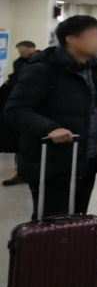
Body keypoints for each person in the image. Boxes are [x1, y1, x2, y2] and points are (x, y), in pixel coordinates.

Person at [2, 19, 97, 221]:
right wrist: (49, 128)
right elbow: (15, 110)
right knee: (52, 225)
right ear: (71, 40)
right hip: (53, 162)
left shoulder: (94, 70)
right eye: (93, 36)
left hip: (86, 160)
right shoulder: (44, 69)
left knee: (76, 224)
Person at [1, 40, 39, 186]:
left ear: (32, 49)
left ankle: (29, 172)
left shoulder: (42, 62)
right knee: (19, 141)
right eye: (19, 51)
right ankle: (22, 172)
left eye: (23, 51)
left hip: (34, 108)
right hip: (20, 107)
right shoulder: (19, 63)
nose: (21, 54)